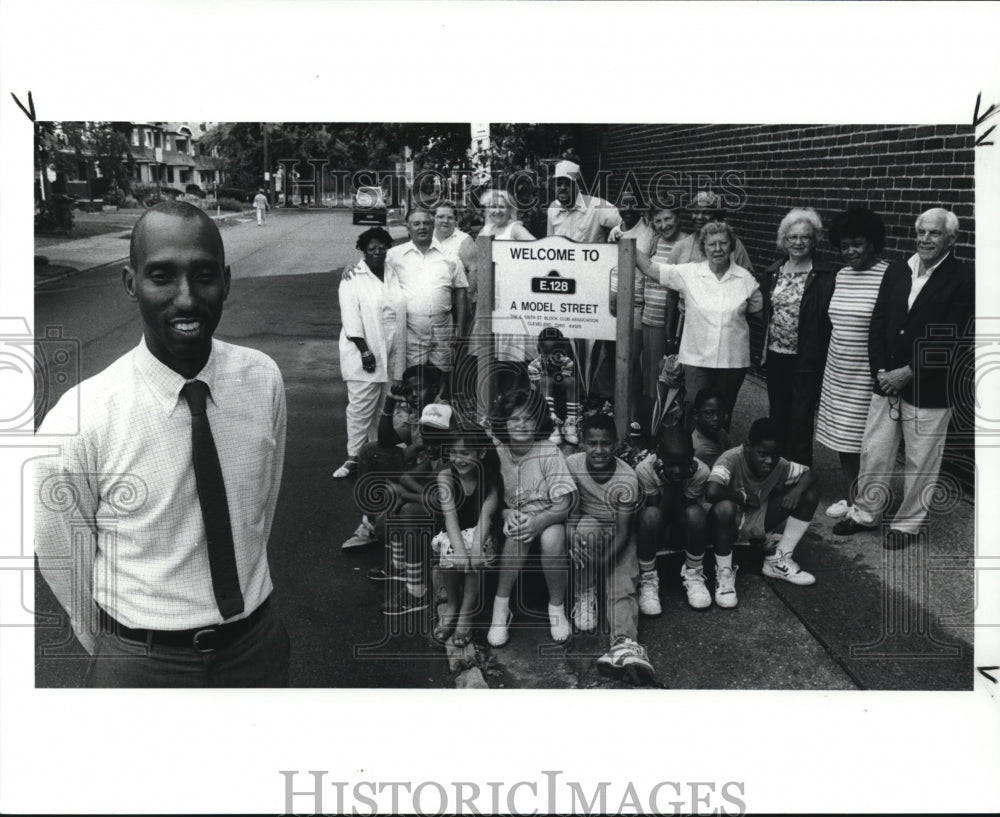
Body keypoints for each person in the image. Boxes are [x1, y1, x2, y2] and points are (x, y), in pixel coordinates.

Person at [35, 201, 289, 687]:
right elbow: (62, 557)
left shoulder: (263, 379)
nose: (187, 298)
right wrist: (121, 648)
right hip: (143, 664)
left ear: (227, 281)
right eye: (161, 276)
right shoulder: (81, 419)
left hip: (256, 648)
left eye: (204, 275)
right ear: (131, 283)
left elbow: (259, 509)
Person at [834, 208, 974, 549]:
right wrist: (880, 371)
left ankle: (908, 524)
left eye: (934, 234)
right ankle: (866, 513)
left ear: (952, 239)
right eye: (921, 232)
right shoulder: (898, 270)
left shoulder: (964, 278)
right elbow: (879, 323)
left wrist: (908, 372)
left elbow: (952, 336)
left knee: (921, 459)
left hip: (929, 387)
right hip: (886, 382)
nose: (925, 239)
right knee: (875, 452)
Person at [814, 206, 902, 518]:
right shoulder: (841, 275)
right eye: (844, 245)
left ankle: (868, 504)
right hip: (838, 369)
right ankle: (852, 499)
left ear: (873, 243)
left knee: (870, 444)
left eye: (857, 244)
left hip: (869, 374)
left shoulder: (890, 275)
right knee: (844, 439)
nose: (850, 251)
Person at [635, 220, 764, 427]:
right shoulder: (689, 273)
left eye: (723, 243)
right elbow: (650, 268)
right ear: (704, 247)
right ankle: (693, 455)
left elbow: (758, 309)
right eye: (712, 244)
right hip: (697, 358)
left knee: (723, 414)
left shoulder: (745, 278)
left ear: (732, 246)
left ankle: (719, 456)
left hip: (732, 361)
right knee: (693, 408)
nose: (718, 249)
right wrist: (627, 245)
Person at [488, 389, 576, 646]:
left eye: (528, 418)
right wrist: (505, 512)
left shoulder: (548, 451)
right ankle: (500, 608)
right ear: (504, 423)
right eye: (514, 419)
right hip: (514, 519)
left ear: (538, 421)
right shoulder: (497, 452)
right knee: (518, 532)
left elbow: (564, 505)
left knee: (552, 537)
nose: (521, 424)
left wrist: (538, 521)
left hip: (549, 517)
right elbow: (491, 497)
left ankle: (556, 608)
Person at [705, 418, 820, 608]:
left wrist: (796, 491)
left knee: (808, 496)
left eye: (775, 455)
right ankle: (724, 573)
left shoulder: (779, 464)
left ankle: (778, 560)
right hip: (725, 525)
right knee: (724, 507)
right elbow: (712, 491)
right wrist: (741, 497)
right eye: (763, 454)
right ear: (748, 446)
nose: (769, 461)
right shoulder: (731, 458)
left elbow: (811, 474)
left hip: (755, 519)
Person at [757, 208, 834, 466]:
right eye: (793, 237)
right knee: (778, 414)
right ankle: (777, 468)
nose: (799, 243)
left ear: (814, 240)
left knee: (800, 418)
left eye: (805, 237)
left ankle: (800, 472)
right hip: (777, 354)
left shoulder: (824, 275)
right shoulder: (774, 272)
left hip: (807, 358)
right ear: (784, 240)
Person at [341, 364, 442, 550]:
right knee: (370, 452)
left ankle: (384, 529)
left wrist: (413, 451)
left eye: (419, 389)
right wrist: (390, 400)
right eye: (409, 391)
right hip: (419, 474)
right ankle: (368, 523)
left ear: (434, 389)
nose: (413, 396)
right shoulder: (417, 412)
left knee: (386, 526)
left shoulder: (441, 411)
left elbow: (437, 460)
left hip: (435, 482)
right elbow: (386, 440)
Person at [333, 227, 407, 479]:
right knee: (360, 408)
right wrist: (364, 351)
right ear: (363, 252)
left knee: (384, 406)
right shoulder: (352, 277)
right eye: (372, 249)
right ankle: (354, 457)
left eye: (382, 247)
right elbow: (350, 318)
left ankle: (377, 454)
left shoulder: (392, 271)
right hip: (363, 352)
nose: (377, 252)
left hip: (392, 351)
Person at [565, 413, 641, 633]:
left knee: (623, 584)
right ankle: (585, 592)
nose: (599, 450)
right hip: (588, 525)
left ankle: (624, 641)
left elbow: (624, 532)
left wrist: (602, 564)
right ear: (582, 442)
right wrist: (571, 538)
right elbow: (571, 513)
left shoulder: (627, 478)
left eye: (606, 443)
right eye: (592, 443)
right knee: (585, 531)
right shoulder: (572, 464)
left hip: (618, 532)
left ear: (615, 444)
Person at [385, 207, 469, 399]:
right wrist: (352, 268)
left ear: (433, 226)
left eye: (426, 223)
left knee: (444, 376)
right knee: (413, 378)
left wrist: (460, 329)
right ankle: (414, 419)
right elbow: (371, 273)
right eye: (416, 223)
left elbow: (461, 293)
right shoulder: (394, 255)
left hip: (443, 329)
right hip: (411, 330)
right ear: (408, 227)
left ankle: (440, 415)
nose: (422, 227)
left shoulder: (449, 256)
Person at [431, 423, 502, 646]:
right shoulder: (445, 477)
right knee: (452, 550)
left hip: (482, 534)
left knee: (474, 551)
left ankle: (466, 613)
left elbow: (485, 519)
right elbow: (449, 517)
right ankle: (452, 604)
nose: (458, 459)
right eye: (453, 453)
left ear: (481, 453)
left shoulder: (490, 480)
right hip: (452, 533)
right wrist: (461, 551)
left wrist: (473, 551)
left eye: (465, 453)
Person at [634, 425, 712, 612]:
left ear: (692, 455)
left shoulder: (700, 471)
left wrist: (674, 483)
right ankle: (648, 579)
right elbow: (658, 518)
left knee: (696, 513)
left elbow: (681, 517)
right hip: (655, 534)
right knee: (650, 515)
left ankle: (693, 573)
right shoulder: (645, 469)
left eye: (683, 463)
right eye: (671, 464)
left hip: (681, 531)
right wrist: (670, 485)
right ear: (658, 455)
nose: (677, 470)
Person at [476, 188, 537, 387]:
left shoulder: (515, 229)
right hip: (490, 294)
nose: (496, 211)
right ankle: (494, 393)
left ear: (509, 209)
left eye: (501, 206)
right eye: (493, 206)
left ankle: (515, 390)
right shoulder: (486, 230)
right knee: (491, 347)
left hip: (511, 293)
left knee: (513, 346)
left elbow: (537, 251)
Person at [527, 326, 581, 445]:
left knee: (571, 381)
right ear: (539, 350)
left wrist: (555, 371)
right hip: (541, 403)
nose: (550, 358)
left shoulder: (567, 362)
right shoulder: (533, 366)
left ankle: (570, 423)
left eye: (555, 354)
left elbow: (564, 384)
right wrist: (546, 373)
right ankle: (551, 425)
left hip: (560, 400)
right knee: (546, 380)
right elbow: (538, 390)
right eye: (546, 353)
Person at [546, 160, 622, 242]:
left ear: (577, 185)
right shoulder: (553, 209)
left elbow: (624, 222)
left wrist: (617, 230)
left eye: (568, 184)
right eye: (559, 184)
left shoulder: (596, 206)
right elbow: (550, 243)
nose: (563, 188)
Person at [690, 387, 731, 468]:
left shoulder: (721, 433)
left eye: (720, 413)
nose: (716, 418)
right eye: (709, 413)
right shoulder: (702, 451)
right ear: (696, 415)